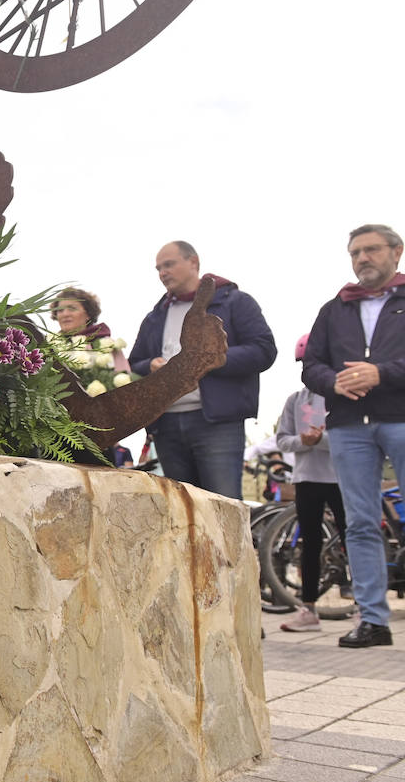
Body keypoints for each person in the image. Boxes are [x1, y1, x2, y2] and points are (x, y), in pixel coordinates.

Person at [303, 224, 405, 655]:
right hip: (349, 425)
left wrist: (380, 373)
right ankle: (372, 620)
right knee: (361, 522)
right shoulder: (335, 308)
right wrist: (334, 382)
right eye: (355, 252)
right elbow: (311, 365)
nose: (362, 258)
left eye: (370, 250)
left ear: (396, 252)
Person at [129, 240, 277, 499]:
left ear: (193, 262)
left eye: (169, 264)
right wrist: (151, 365)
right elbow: (136, 362)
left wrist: (210, 361)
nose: (163, 273)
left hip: (217, 423)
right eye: (158, 268)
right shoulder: (155, 316)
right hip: (166, 424)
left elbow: (264, 350)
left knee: (223, 508)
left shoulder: (235, 302)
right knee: (181, 512)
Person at [277, 334, 347, 632]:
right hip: (306, 478)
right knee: (309, 544)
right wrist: (305, 442)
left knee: (352, 538)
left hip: (341, 477)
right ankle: (308, 608)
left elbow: (351, 438)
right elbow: (283, 439)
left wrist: (322, 440)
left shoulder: (342, 395)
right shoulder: (295, 400)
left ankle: (365, 606)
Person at [52, 287, 127, 371]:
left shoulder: (108, 344)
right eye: (60, 310)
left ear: (88, 313)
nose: (65, 314)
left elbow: (124, 377)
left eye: (72, 308)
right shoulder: (50, 347)